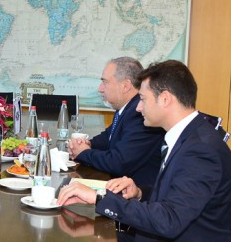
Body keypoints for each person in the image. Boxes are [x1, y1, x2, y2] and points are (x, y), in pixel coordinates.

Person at [57, 60, 231, 242]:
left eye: (142, 99)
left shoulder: (201, 150)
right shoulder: (191, 135)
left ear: (165, 99)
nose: (138, 107)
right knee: (94, 241)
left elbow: (169, 219)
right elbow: (180, 197)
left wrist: (98, 198)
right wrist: (141, 192)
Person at [67, 57, 165, 186]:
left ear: (125, 86)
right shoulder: (126, 108)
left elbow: (118, 163)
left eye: (105, 82)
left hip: (136, 192)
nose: (100, 89)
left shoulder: (140, 114)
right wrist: (86, 143)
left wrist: (84, 153)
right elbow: (109, 137)